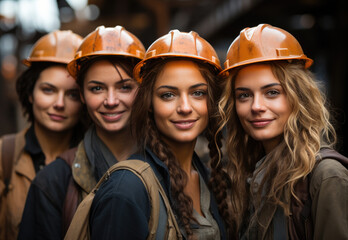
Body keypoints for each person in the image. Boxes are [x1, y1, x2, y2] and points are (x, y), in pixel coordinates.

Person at [89, 30, 229, 240]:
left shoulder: (207, 178)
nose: (184, 107)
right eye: (168, 95)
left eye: (197, 93)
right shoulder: (126, 189)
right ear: (149, 104)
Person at [218, 23, 348, 239]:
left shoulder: (327, 178)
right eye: (244, 95)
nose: (256, 106)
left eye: (271, 92)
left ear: (298, 97)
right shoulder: (251, 174)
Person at [17, 25, 146, 239]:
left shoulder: (168, 164)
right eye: (97, 88)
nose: (111, 101)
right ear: (83, 95)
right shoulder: (52, 182)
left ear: (143, 91)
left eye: (125, 87)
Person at [0, 30, 84, 240]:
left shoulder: (95, 158)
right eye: (48, 90)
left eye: (72, 94)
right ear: (30, 93)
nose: (59, 104)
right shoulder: (4, 156)